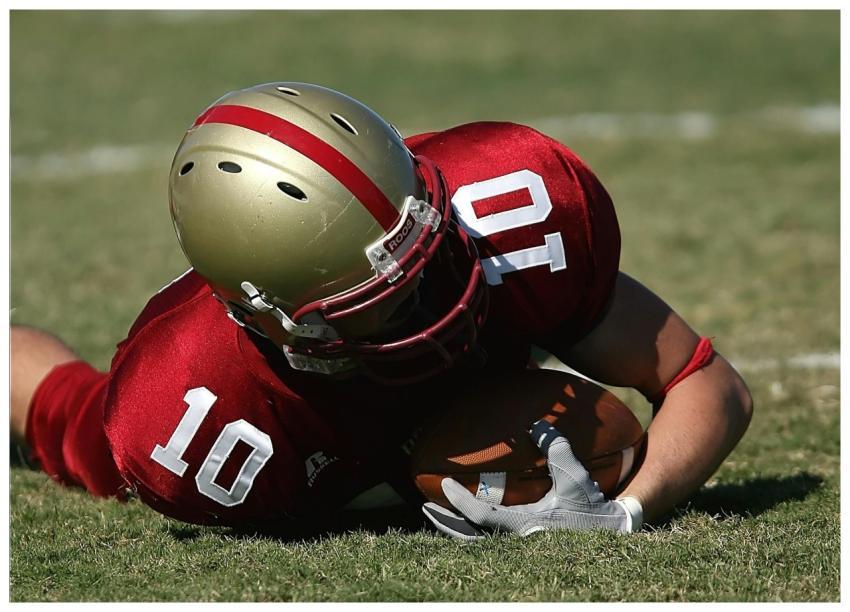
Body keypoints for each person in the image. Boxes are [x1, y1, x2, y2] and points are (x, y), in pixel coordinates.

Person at [11, 82, 752, 537]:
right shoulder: (192, 415)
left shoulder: (505, 212)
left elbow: (705, 381)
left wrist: (624, 515)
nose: (433, 303)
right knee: (70, 415)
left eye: (425, 259)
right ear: (273, 321)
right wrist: (410, 477)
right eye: (380, 303)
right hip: (299, 413)